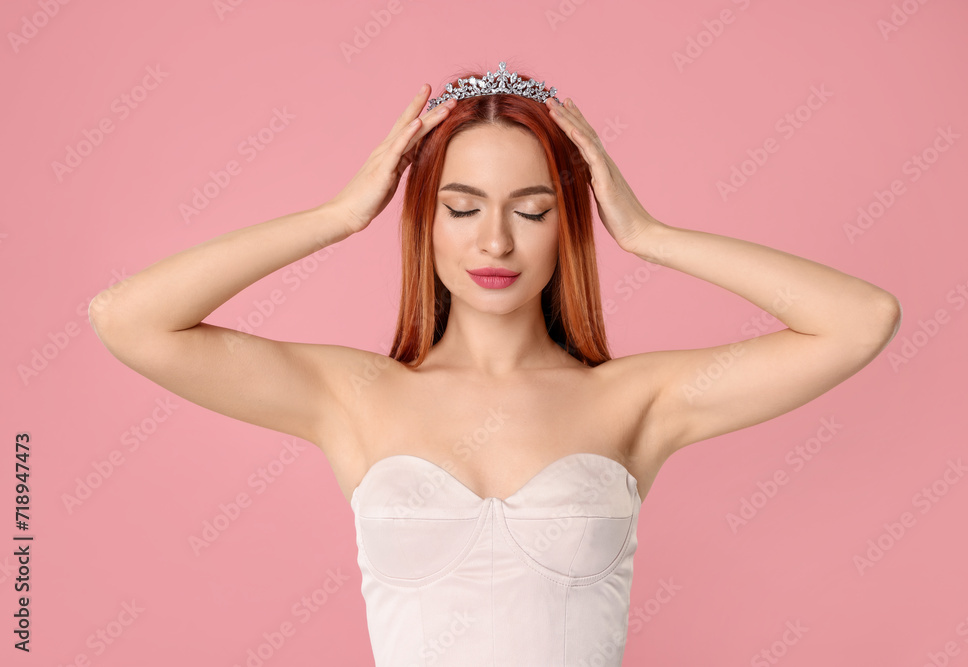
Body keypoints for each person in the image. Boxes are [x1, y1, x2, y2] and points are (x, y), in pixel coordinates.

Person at [88, 60, 901, 666]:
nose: (497, 241)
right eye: (463, 206)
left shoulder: (636, 400)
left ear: (569, 222)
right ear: (423, 221)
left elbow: (861, 320)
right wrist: (338, 216)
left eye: (534, 209)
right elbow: (128, 320)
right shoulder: (354, 396)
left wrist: (650, 235)